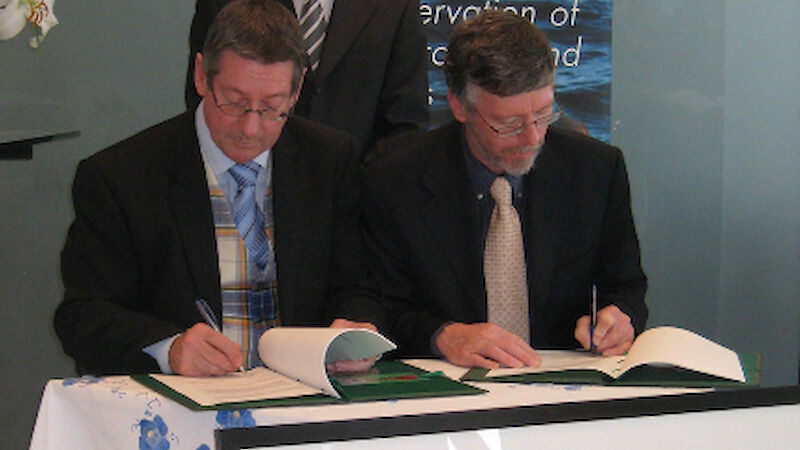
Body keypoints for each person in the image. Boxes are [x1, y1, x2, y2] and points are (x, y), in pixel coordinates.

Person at [55, 0, 384, 376]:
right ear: (201, 76)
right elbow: (83, 316)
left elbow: (358, 286)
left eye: (272, 107)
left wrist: (355, 331)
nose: (250, 128)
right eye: (234, 102)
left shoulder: (328, 161)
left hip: (300, 399)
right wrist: (171, 348)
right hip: (181, 411)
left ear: (296, 94)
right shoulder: (121, 176)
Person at [362, 10, 648, 369]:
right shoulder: (395, 180)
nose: (532, 138)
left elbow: (626, 286)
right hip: (449, 393)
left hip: (562, 384)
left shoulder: (595, 171)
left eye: (544, 114)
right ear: (458, 105)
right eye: (509, 124)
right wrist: (442, 334)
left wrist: (619, 318)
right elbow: (380, 305)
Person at [185, 0, 429, 158]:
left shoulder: (396, 6)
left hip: (356, 209)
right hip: (246, 197)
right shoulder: (221, 2)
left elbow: (405, 123)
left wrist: (351, 190)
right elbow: (203, 98)